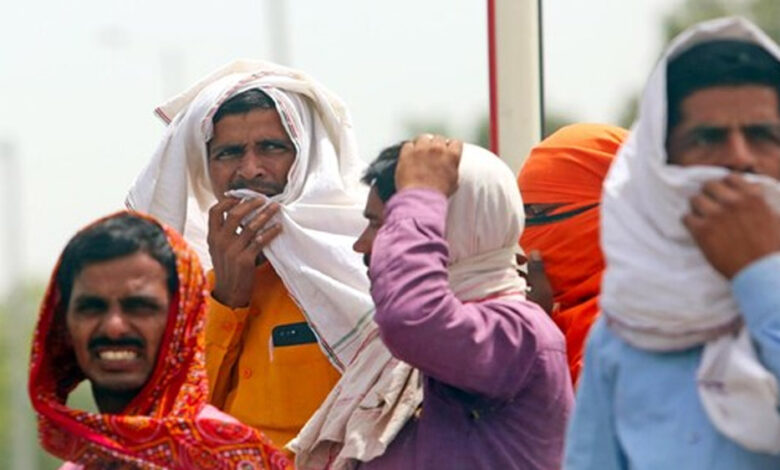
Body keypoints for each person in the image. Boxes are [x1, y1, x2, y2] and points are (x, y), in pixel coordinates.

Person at [565, 17, 780, 469]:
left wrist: (760, 275)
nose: (739, 157)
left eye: (762, 136)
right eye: (708, 138)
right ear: (661, 160)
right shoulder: (628, 326)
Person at [126, 61, 375, 446]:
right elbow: (172, 425)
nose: (250, 170)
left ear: (307, 155)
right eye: (229, 153)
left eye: (271, 148)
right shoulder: (196, 295)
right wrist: (228, 298)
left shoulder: (365, 266)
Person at [343, 135, 574, 469]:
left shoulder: (517, 333)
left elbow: (412, 319)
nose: (361, 245)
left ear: (450, 226)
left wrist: (419, 196)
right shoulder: (408, 344)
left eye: (383, 225)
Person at [29, 212, 288, 469]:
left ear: (182, 322)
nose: (114, 327)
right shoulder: (83, 462)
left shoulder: (233, 459)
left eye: (139, 307)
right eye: (91, 308)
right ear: (63, 326)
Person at [518, 123, 628, 384]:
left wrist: (535, 340)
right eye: (520, 215)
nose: (523, 234)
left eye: (536, 213)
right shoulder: (564, 318)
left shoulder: (638, 329)